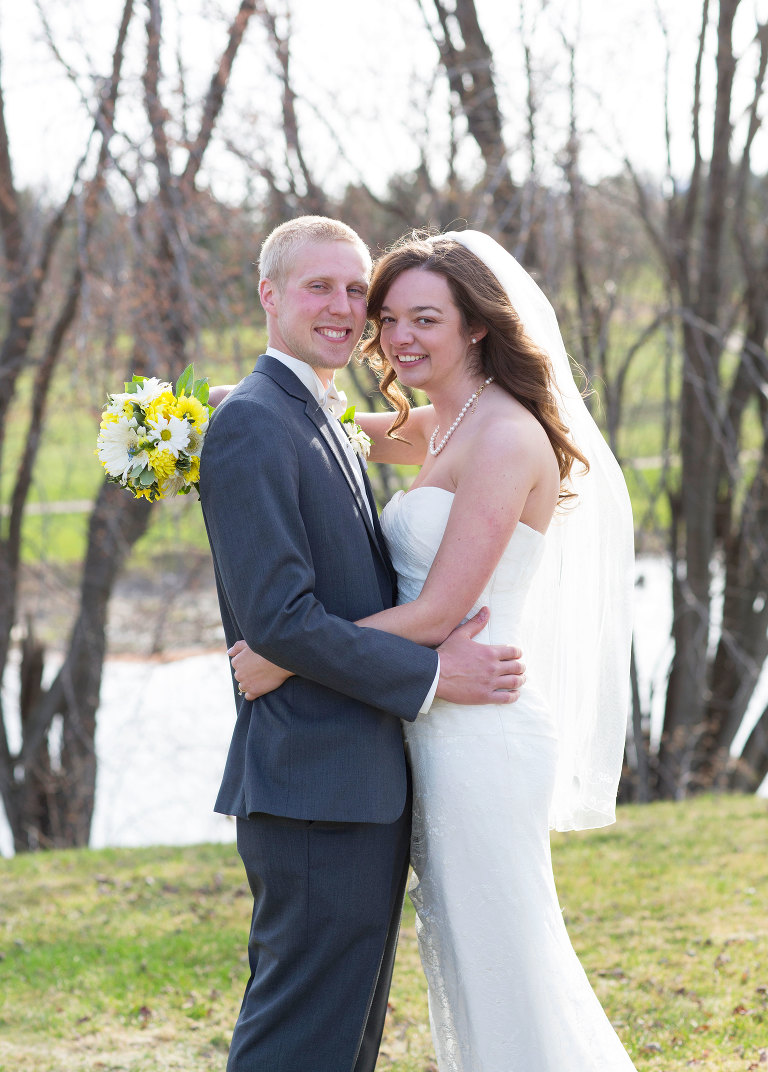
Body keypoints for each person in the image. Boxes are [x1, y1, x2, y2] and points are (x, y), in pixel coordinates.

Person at [230, 229, 637, 1070]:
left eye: (426, 318)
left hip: (480, 723)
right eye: (388, 319)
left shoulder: (502, 436)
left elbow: (442, 609)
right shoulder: (438, 428)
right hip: (424, 727)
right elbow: (306, 425)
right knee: (460, 960)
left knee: (505, 958)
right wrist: (178, 428)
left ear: (478, 326)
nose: (398, 337)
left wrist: (283, 652)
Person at [198, 216, 525, 1072]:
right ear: (269, 295)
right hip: (315, 784)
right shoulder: (261, 420)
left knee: (342, 1041)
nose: (347, 310)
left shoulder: (310, 411)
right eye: (320, 288)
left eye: (356, 292)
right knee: (300, 1039)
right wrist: (429, 674)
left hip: (355, 783)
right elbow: (280, 618)